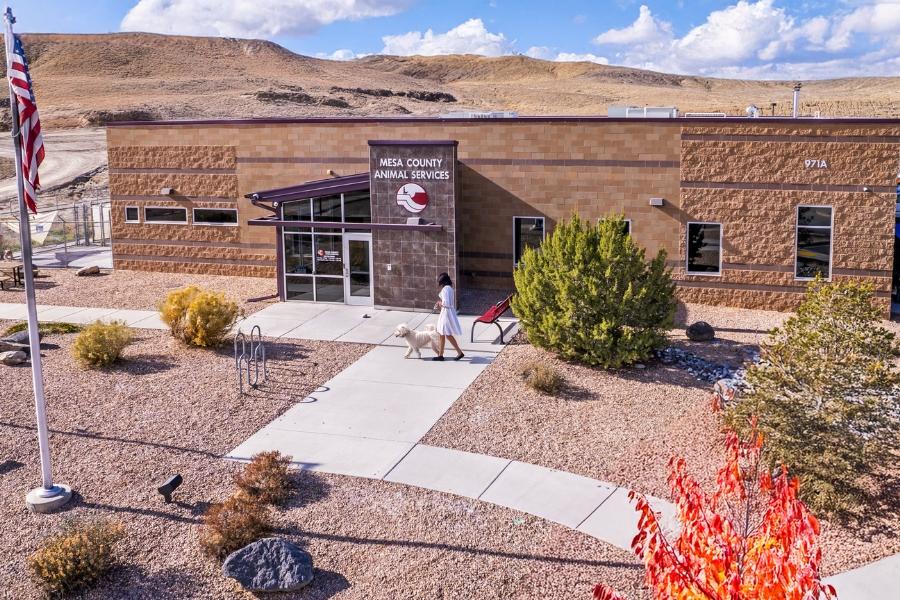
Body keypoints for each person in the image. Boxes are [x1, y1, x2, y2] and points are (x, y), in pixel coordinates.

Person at [433, 272, 464, 361]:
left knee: (446, 333)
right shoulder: (450, 288)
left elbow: (446, 303)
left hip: (446, 313)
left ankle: (458, 352)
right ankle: (441, 355)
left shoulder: (445, 289)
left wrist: (439, 303)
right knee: (443, 333)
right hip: (448, 312)